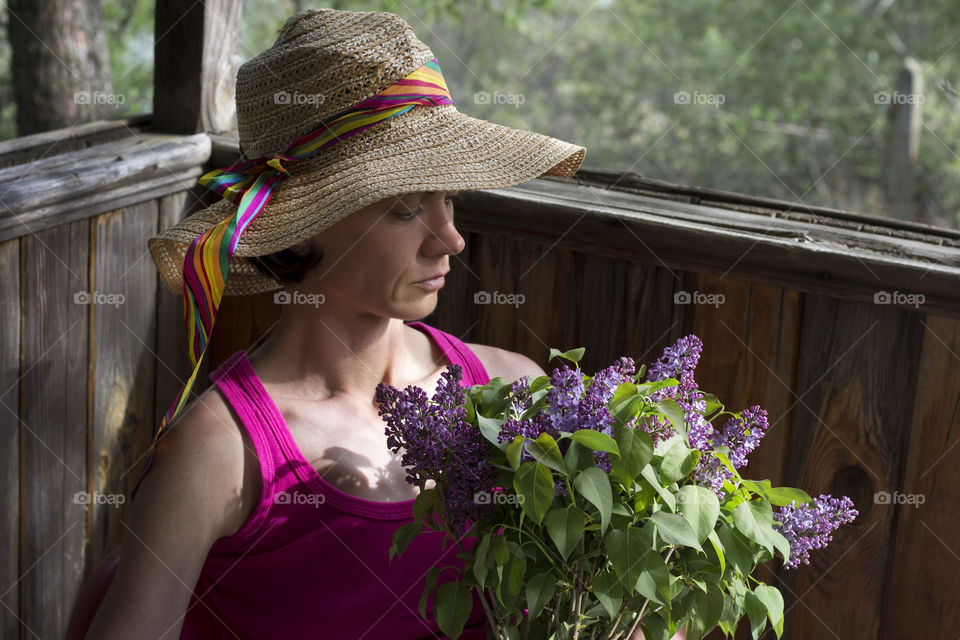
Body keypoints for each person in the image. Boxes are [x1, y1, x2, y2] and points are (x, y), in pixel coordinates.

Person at [85, 8, 588, 639]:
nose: (451, 240)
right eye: (407, 209)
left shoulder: (512, 391)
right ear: (306, 221)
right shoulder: (220, 450)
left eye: (449, 199)